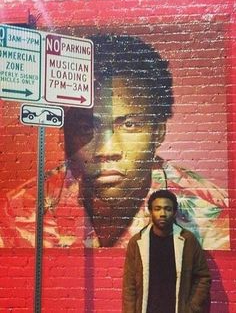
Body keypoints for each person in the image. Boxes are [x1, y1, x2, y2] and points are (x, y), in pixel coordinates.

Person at [1, 33, 229, 249]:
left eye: (130, 125)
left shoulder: (209, 214)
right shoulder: (19, 210)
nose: (106, 149)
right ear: (64, 135)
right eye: (86, 127)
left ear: (158, 132)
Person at [122, 189, 211, 313]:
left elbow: (203, 277)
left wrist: (191, 308)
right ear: (151, 211)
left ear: (174, 212)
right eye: (157, 209)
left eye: (168, 209)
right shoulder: (137, 242)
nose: (162, 213)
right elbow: (129, 285)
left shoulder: (188, 240)